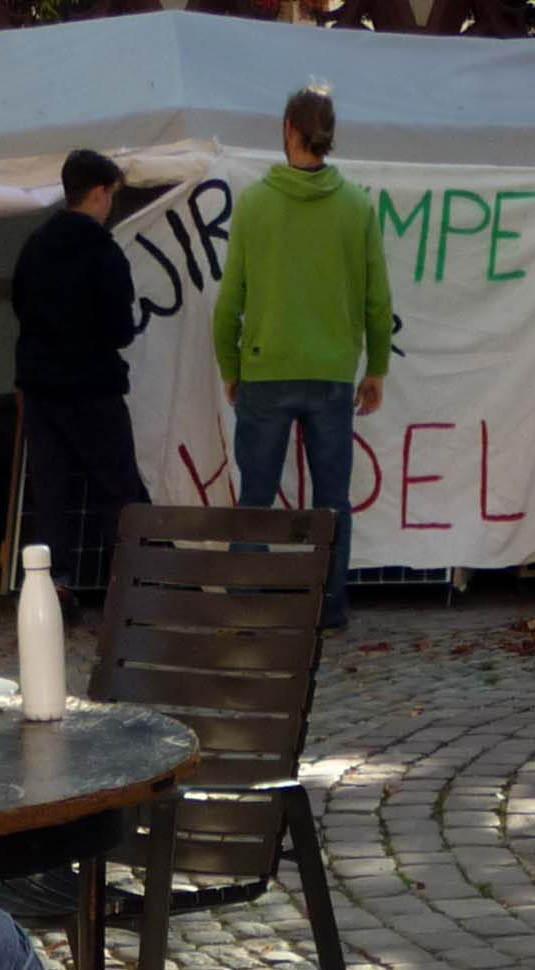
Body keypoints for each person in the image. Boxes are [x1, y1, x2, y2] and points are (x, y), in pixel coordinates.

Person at [210, 82, 392, 635]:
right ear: (327, 135)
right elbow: (377, 300)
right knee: (331, 501)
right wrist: (377, 367)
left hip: (265, 369)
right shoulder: (357, 207)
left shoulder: (256, 205)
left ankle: (246, 605)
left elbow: (229, 302)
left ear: (288, 130)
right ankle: (329, 608)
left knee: (257, 499)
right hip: (332, 372)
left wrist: (230, 368)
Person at [11, 146, 148, 594]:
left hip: (40, 388)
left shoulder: (34, 248)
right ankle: (130, 586)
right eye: (110, 194)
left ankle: (55, 587)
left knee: (49, 493)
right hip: (92, 385)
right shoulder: (103, 253)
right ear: (97, 192)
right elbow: (120, 329)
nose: (110, 205)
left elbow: (19, 307)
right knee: (119, 489)